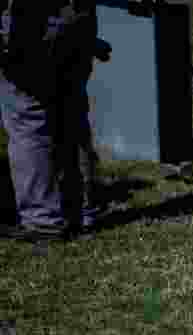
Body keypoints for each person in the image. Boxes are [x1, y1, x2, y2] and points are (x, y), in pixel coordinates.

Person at [0, 0, 100, 242]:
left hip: (31, 25)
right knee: (72, 117)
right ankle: (79, 214)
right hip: (76, 21)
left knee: (29, 121)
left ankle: (43, 221)